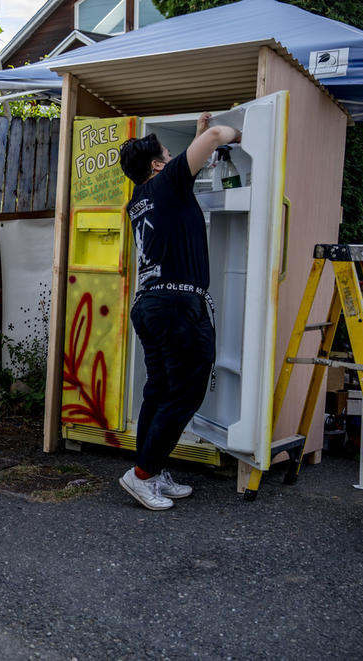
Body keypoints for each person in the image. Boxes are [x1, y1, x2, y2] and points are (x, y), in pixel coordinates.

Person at [117, 113, 241, 510]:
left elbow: (197, 154)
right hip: (177, 307)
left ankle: (149, 470)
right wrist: (245, 133)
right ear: (157, 166)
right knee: (185, 392)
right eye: (167, 155)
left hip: (150, 304)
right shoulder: (168, 182)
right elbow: (223, 135)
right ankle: (140, 476)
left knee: (159, 390)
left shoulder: (137, 200)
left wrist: (199, 136)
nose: (173, 160)